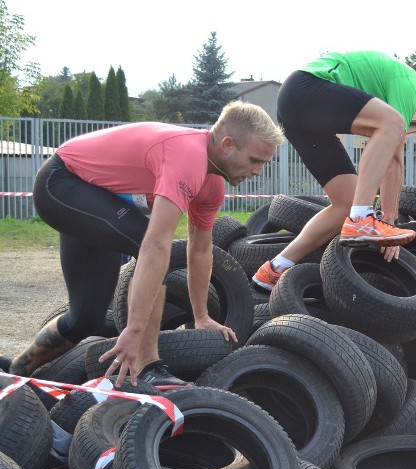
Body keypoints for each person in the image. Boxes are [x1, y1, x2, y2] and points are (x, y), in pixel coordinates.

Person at [9, 101, 283, 387]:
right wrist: (135, 329)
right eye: (255, 160)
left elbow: (200, 250)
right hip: (62, 183)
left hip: (97, 200)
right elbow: (154, 246)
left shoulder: (211, 184)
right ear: (227, 145)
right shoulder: (188, 157)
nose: (258, 172)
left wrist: (202, 316)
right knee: (149, 243)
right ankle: (148, 363)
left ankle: (16, 369)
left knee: (84, 320)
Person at [251, 51, 416, 290]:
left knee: (346, 201)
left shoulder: (399, 88)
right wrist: (389, 222)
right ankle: (361, 218)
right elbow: (394, 160)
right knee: (392, 124)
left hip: (298, 111)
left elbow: (387, 151)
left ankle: (273, 269)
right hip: (305, 88)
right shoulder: (411, 85)